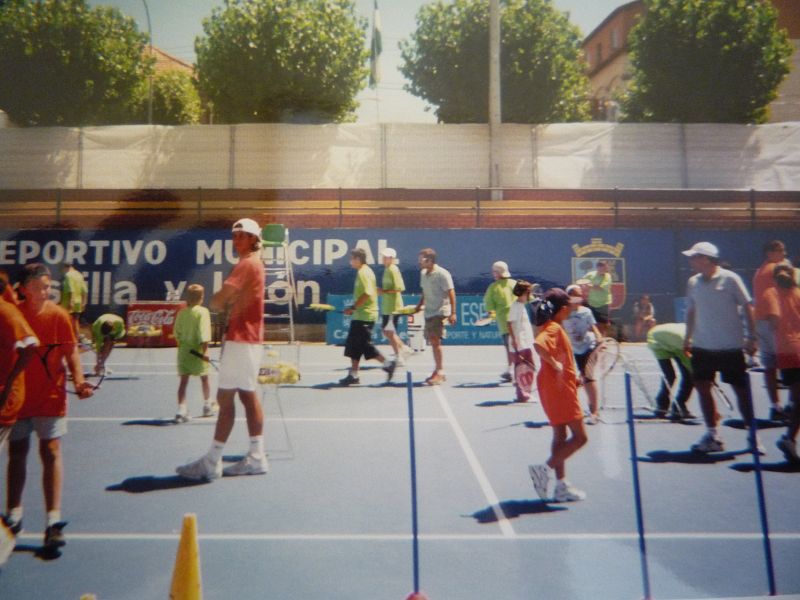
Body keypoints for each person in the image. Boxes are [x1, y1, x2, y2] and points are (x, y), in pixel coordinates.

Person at [7, 263, 93, 550]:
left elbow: (71, 354)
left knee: (51, 452)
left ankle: (53, 521)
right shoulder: (12, 314)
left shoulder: (59, 316)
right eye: (40, 287)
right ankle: (14, 515)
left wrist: (80, 382)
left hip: (51, 399)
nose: (46, 292)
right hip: (18, 400)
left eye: (48, 287)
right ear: (24, 288)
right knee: (17, 454)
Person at [177, 218, 268, 480]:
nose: (236, 239)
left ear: (253, 238)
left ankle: (213, 462)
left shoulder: (247, 263)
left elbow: (220, 298)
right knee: (246, 397)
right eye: (234, 235)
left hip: (242, 339)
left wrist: (216, 302)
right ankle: (254, 456)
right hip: (246, 339)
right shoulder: (254, 263)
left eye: (242, 235)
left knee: (227, 399)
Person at [682, 242, 759, 454]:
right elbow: (691, 312)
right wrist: (687, 338)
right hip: (702, 347)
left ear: (705, 259)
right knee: (703, 389)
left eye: (694, 257)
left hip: (730, 348)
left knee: (742, 393)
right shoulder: (693, 282)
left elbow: (747, 306)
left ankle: (753, 436)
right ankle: (713, 435)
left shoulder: (731, 279)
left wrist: (751, 337)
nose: (690, 261)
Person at [528, 288, 588, 502]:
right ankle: (544, 470)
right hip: (559, 387)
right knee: (581, 437)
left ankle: (561, 485)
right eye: (570, 304)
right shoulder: (553, 328)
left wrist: (572, 375)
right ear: (562, 309)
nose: (573, 306)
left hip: (552, 385)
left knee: (560, 436)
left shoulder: (552, 326)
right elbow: (539, 344)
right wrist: (556, 366)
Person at [0, 274, 38, 545]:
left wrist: (9, 382)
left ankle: (13, 517)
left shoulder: (7, 312)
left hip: (4, 402)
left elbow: (30, 346)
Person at [340, 248, 395, 385]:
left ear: (358, 259)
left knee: (365, 346)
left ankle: (388, 364)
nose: (350, 261)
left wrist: (353, 307)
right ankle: (354, 375)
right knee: (354, 346)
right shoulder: (363, 271)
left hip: (365, 316)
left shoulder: (364, 272)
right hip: (360, 315)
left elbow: (368, 293)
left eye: (352, 258)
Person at [763, 263, 800, 462]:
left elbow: (774, 321)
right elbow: (775, 319)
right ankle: (789, 438)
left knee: (797, 401)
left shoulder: (775, 293)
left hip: (789, 351)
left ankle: (789, 439)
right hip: (792, 352)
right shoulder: (780, 293)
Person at [752, 240, 790, 422]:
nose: (784, 253)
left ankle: (775, 407)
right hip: (776, 321)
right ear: (769, 252)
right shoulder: (780, 267)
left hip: (761, 321)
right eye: (780, 250)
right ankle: (792, 406)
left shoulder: (760, 270)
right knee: (790, 363)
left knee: (770, 367)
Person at [414, 248, 456, 385]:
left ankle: (440, 372)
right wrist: (419, 306)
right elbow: (424, 292)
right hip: (429, 311)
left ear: (430, 260)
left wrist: (453, 313)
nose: (419, 262)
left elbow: (451, 292)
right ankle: (437, 369)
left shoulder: (443, 274)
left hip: (440, 311)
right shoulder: (422, 273)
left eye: (421, 259)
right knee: (433, 341)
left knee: (435, 340)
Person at [174, 284, 215, 423]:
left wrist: (184, 346)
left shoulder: (182, 312)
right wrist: (205, 352)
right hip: (198, 352)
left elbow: (177, 333)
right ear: (201, 297)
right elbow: (204, 333)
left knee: (183, 382)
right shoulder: (203, 312)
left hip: (184, 352)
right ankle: (207, 405)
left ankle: (181, 410)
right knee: (205, 379)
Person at [563, 284, 602, 424]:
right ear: (568, 297)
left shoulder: (586, 311)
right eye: (575, 295)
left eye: (580, 295)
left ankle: (595, 412)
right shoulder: (563, 313)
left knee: (589, 377)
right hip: (575, 349)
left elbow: (593, 327)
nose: (579, 297)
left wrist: (598, 337)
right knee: (581, 377)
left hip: (589, 347)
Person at [646, 323, 695, 420]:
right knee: (670, 376)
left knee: (688, 376)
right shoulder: (690, 344)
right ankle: (662, 406)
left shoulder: (695, 337)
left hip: (676, 342)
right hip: (657, 339)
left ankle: (678, 406)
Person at [377, 248, 412, 366]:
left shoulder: (393, 270)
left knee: (389, 332)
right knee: (386, 331)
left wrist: (383, 291)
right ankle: (404, 348)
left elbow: (399, 288)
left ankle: (399, 357)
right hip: (387, 307)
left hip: (394, 307)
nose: (384, 259)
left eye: (386, 257)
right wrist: (382, 292)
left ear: (392, 259)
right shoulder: (386, 270)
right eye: (383, 257)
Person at [483, 261, 517, 382]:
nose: (493, 273)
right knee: (518, 347)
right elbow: (528, 298)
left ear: (499, 273)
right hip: (518, 322)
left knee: (510, 348)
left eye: (495, 271)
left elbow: (489, 306)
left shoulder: (493, 287)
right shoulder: (515, 284)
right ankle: (512, 370)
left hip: (505, 324)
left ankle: (512, 371)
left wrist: (489, 316)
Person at [506, 280, 536, 403]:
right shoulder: (515, 306)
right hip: (519, 342)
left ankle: (525, 392)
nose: (530, 294)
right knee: (521, 368)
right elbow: (509, 324)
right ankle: (521, 394)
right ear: (524, 293)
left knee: (529, 366)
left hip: (525, 342)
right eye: (529, 292)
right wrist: (514, 340)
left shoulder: (522, 306)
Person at [59, 263, 88, 339]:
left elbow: (70, 289)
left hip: (67, 303)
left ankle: (66, 338)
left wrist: (70, 302)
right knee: (75, 322)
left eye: (63, 269)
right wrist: (84, 302)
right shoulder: (79, 275)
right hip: (78, 303)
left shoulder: (68, 275)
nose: (63, 271)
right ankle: (76, 338)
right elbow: (84, 290)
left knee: (65, 321)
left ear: (66, 267)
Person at [585, 260, 613, 337]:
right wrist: (583, 284)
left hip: (604, 303)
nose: (605, 270)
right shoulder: (590, 275)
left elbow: (601, 288)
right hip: (592, 303)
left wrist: (590, 286)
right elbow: (582, 281)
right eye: (603, 268)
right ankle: (593, 339)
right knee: (592, 322)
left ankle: (603, 340)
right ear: (598, 267)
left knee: (604, 324)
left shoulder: (608, 276)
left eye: (606, 268)